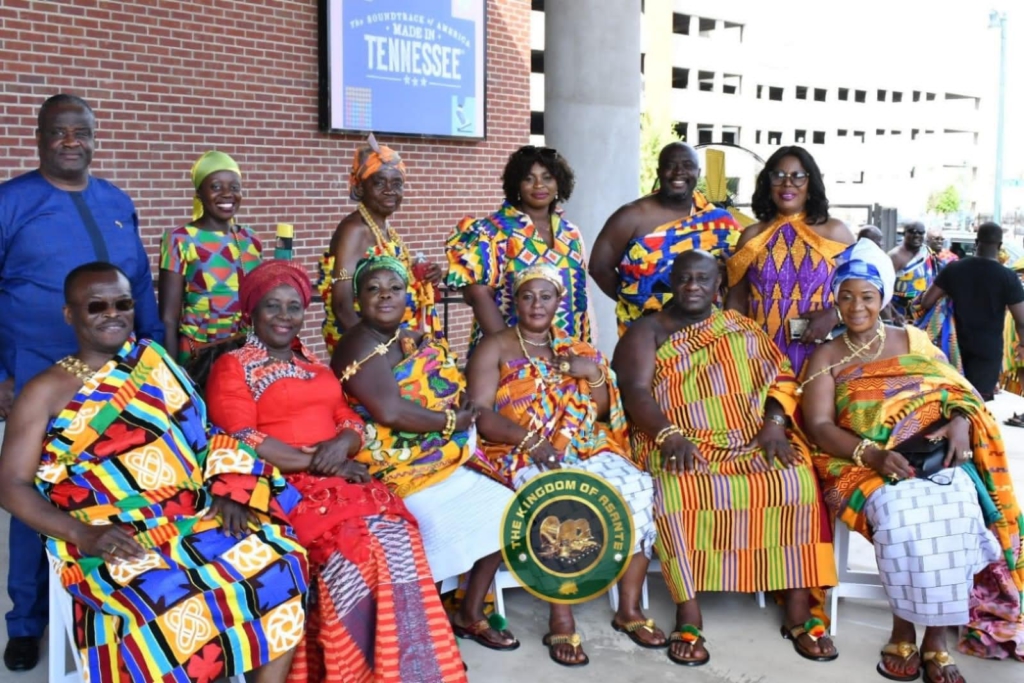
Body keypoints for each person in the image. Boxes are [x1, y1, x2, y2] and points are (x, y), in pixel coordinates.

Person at [0, 262, 308, 683]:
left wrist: (227, 488)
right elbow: (11, 485)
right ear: (70, 314)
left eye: (123, 303)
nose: (113, 313)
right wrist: (81, 535)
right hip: (107, 531)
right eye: (96, 306)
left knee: (282, 559)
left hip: (189, 515)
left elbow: (202, 433)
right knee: (170, 602)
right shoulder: (42, 392)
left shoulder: (153, 361)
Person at [206, 260, 468, 683]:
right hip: (284, 486)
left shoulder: (314, 363)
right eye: (273, 306)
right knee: (358, 552)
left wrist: (340, 446)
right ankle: (353, 671)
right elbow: (242, 438)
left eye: (294, 307)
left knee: (400, 538)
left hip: (341, 481)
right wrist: (320, 461)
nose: (285, 316)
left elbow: (350, 420)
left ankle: (408, 669)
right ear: (251, 312)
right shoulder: (234, 365)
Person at [801, 238, 1023, 681]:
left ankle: (935, 640)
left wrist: (961, 421)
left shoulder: (914, 340)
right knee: (902, 515)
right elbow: (820, 426)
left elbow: (958, 391)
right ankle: (902, 627)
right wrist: (875, 454)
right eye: (846, 296)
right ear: (836, 300)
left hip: (934, 456)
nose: (856, 306)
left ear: (882, 296)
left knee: (959, 504)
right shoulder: (826, 355)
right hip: (861, 463)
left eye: (867, 295)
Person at [0, 94, 164, 672]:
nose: (71, 142)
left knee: (125, 483)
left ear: (95, 137)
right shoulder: (11, 202)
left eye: (81, 132)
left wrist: (157, 359)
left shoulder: (117, 202)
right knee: (35, 491)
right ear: (39, 137)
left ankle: (122, 600)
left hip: (122, 377)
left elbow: (140, 289)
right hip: (40, 375)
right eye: (59, 132)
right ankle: (27, 621)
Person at [615, 250, 838, 667]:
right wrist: (668, 435)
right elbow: (635, 392)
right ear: (672, 283)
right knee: (677, 488)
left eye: (703, 279)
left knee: (793, 479)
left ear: (719, 286)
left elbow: (782, 378)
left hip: (747, 435)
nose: (693, 286)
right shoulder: (647, 331)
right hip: (673, 438)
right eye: (684, 279)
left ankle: (795, 606)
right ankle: (688, 608)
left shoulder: (741, 328)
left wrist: (773, 424)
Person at [465, 263, 664, 666]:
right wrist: (531, 441)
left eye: (546, 296)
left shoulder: (578, 349)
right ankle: (561, 615)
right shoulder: (495, 347)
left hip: (583, 445)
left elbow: (606, 411)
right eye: (527, 295)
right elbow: (480, 414)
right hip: (516, 447)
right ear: (515, 301)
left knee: (640, 486)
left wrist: (591, 375)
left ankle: (629, 610)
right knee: (559, 496)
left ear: (559, 302)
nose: (537, 304)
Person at [332, 255, 520, 652]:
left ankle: (469, 612)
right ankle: (423, 628)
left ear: (408, 295)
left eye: (395, 288)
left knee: (507, 507)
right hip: (392, 463)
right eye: (373, 289)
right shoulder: (358, 343)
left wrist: (458, 402)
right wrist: (454, 422)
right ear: (358, 298)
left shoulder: (410, 337)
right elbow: (389, 412)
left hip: (437, 452)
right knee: (431, 525)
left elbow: (443, 385)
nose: (385, 296)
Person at [446, 145, 590, 353]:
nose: (539, 185)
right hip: (510, 357)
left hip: (567, 353)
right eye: (529, 179)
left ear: (559, 182)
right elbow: (477, 294)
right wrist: (512, 352)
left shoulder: (571, 233)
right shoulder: (492, 231)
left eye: (547, 177)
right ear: (517, 185)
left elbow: (581, 294)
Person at [726, 146, 855, 377]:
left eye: (798, 176)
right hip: (759, 358)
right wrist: (736, 353)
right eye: (779, 176)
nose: (787, 184)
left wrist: (835, 314)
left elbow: (869, 291)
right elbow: (735, 302)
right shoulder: (751, 235)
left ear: (810, 183)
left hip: (821, 355)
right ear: (768, 183)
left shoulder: (835, 231)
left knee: (816, 413)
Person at [589, 142, 743, 334]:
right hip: (647, 331)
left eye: (687, 165)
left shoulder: (720, 222)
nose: (679, 172)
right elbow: (598, 267)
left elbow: (741, 267)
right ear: (659, 171)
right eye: (670, 165)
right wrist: (635, 301)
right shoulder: (631, 216)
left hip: (708, 332)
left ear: (698, 172)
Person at [317, 134, 441, 356]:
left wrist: (426, 275)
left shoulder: (384, 229)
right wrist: (380, 353)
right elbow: (342, 305)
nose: (389, 190)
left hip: (391, 342)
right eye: (379, 182)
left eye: (397, 183)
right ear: (360, 187)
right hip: (368, 351)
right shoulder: (355, 230)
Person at [158, 150, 261, 373]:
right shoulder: (179, 240)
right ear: (198, 193)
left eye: (234, 187)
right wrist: (173, 373)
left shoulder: (250, 239)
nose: (227, 194)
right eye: (215, 187)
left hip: (246, 353)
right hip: (200, 355)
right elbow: (168, 317)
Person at [917, 222, 1024, 400]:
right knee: (977, 404)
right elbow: (1021, 320)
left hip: (952, 350)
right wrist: (1021, 346)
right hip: (987, 353)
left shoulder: (954, 269)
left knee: (950, 402)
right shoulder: (1008, 277)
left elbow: (927, 301)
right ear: (999, 246)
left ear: (976, 242)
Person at [889, 221, 940, 320]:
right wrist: (894, 314)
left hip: (925, 312)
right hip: (900, 313)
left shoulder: (927, 253)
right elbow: (883, 289)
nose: (916, 235)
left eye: (920, 233)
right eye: (912, 231)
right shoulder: (894, 256)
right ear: (904, 233)